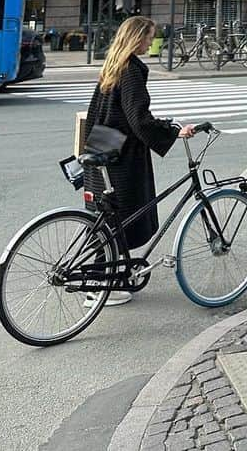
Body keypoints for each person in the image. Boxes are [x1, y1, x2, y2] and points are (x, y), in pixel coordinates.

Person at [84, 16, 195, 304]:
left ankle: (104, 279)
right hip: (122, 155)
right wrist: (173, 131)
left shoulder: (111, 65)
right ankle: (98, 285)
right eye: (148, 37)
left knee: (109, 219)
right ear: (136, 39)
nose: (150, 42)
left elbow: (96, 110)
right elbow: (138, 119)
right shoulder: (131, 70)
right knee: (123, 215)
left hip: (102, 146)